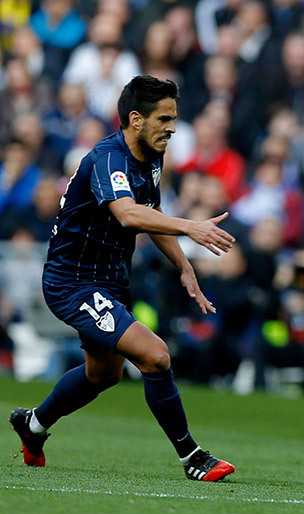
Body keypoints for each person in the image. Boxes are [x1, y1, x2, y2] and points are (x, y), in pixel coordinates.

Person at [8, 76, 236, 483]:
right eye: (164, 119)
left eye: (174, 118)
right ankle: (192, 457)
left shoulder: (151, 155)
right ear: (135, 119)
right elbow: (129, 214)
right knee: (156, 355)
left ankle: (34, 424)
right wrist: (191, 227)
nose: (172, 128)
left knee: (103, 374)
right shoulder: (108, 159)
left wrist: (184, 266)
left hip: (110, 280)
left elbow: (151, 213)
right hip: (73, 282)